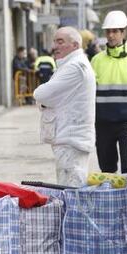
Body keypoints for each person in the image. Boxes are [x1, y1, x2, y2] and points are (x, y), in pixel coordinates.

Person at [33, 27, 96, 187]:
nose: (55, 46)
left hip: (71, 141)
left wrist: (45, 100)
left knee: (71, 193)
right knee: (71, 191)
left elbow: (40, 94)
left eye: (60, 42)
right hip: (70, 140)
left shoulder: (74, 67)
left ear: (75, 45)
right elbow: (50, 96)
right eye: (54, 42)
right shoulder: (72, 64)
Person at [91, 11, 127, 174]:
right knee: (106, 170)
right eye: (108, 31)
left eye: (115, 31)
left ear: (124, 32)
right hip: (102, 124)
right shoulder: (96, 60)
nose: (111, 35)